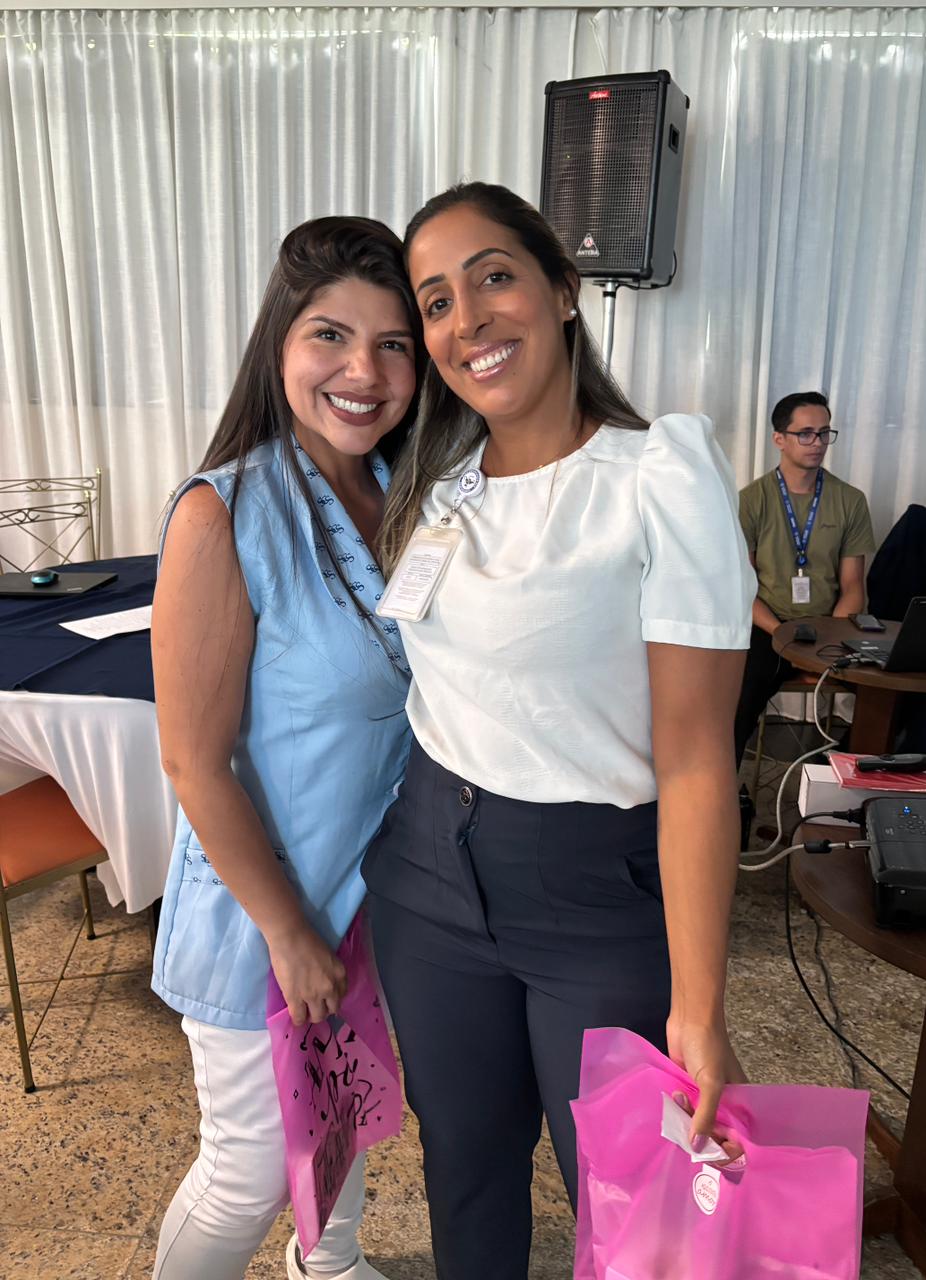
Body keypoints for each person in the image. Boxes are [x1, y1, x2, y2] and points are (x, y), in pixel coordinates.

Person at [360, 182, 755, 1280]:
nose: (468, 321)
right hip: (428, 876)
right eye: (437, 302)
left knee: (629, 1209)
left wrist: (701, 1004)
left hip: (594, 893)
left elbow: (695, 761)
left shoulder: (654, 477)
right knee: (466, 1172)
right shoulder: (435, 486)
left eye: (494, 277)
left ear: (564, 289)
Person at [149, 217, 422, 1280]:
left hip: (376, 899)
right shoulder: (223, 513)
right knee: (249, 1168)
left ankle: (332, 1260)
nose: (364, 372)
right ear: (280, 345)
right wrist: (288, 929)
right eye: (330, 336)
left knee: (343, 1104)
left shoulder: (406, 493)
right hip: (267, 911)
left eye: (393, 343)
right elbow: (193, 760)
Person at [734, 391, 875, 766]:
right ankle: (726, 791)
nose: (818, 442)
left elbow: (853, 587)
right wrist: (784, 636)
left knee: (886, 696)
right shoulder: (751, 500)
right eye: (806, 433)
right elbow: (742, 588)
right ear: (779, 438)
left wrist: (828, 638)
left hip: (831, 628)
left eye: (825, 433)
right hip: (769, 627)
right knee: (737, 698)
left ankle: (843, 777)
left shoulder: (849, 500)